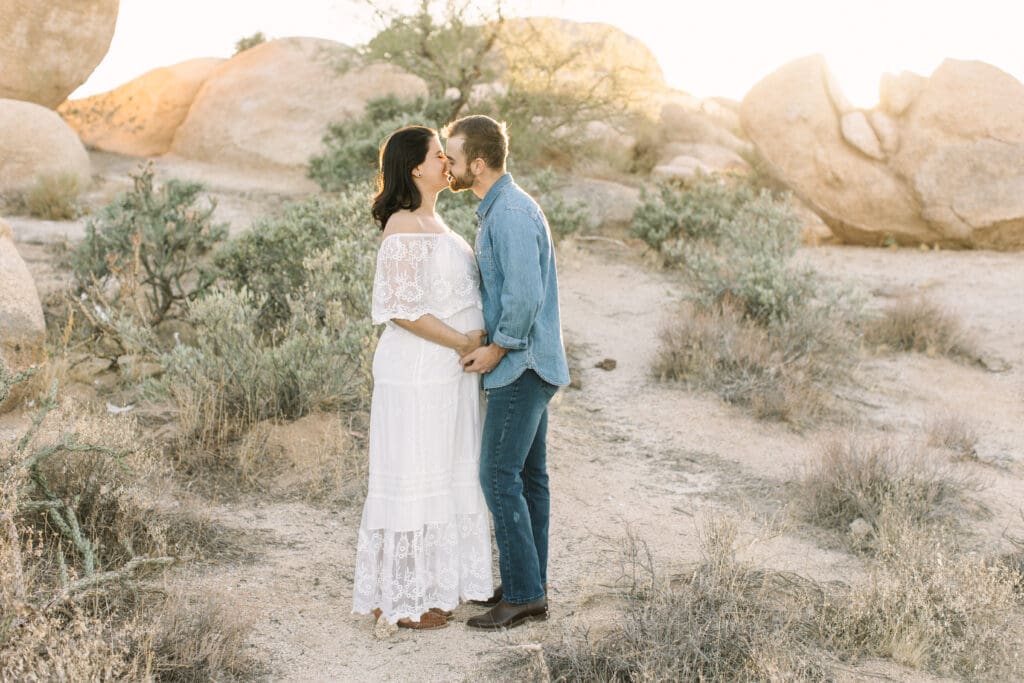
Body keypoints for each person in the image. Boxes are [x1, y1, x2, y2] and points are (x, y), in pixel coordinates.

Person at [352, 125, 494, 630]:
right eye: (440, 155)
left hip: (448, 375)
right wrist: (463, 342)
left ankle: (434, 586)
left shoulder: (439, 223)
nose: (447, 163)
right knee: (416, 471)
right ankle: (403, 597)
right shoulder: (403, 225)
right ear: (416, 167)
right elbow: (400, 310)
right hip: (416, 370)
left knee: (444, 469)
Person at [442, 115, 570, 630]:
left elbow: (522, 296)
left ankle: (521, 594)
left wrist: (497, 349)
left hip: (522, 364)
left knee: (496, 475)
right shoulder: (501, 208)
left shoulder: (510, 214)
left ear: (476, 162)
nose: (447, 167)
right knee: (528, 478)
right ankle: (528, 583)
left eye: (451, 158)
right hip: (533, 363)